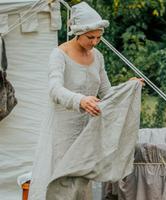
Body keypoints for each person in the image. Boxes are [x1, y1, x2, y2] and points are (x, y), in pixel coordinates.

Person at [28, 2, 143, 199]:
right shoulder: (59, 55)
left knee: (81, 179)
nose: (95, 42)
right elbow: (54, 90)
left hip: (87, 131)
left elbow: (106, 92)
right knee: (63, 179)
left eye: (99, 37)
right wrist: (80, 100)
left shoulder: (97, 57)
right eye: (91, 37)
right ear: (77, 32)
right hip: (62, 132)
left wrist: (127, 86)